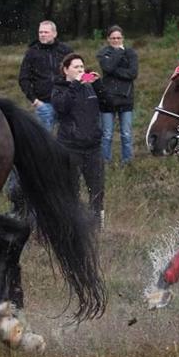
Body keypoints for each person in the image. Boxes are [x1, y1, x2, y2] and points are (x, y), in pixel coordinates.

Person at [51, 53, 104, 229]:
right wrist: (74, 85)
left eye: (82, 67)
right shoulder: (59, 89)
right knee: (71, 189)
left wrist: (98, 84)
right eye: (76, 67)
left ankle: (97, 225)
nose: (81, 70)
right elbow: (61, 108)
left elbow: (109, 104)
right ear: (66, 70)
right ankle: (72, 224)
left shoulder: (90, 87)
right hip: (70, 147)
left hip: (93, 147)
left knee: (97, 189)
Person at [95, 25, 138, 166]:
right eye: (113, 38)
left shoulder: (131, 53)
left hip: (126, 99)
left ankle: (127, 162)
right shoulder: (102, 53)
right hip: (107, 99)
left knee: (126, 134)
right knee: (107, 134)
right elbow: (106, 67)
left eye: (118, 38)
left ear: (123, 38)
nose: (116, 40)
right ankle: (105, 162)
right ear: (108, 39)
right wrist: (119, 53)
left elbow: (132, 74)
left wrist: (113, 70)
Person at [18, 20, 72, 130]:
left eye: (46, 32)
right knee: (44, 142)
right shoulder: (32, 52)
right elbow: (23, 78)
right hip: (44, 105)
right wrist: (35, 100)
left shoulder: (65, 50)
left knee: (66, 140)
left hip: (65, 103)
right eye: (40, 32)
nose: (42, 35)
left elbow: (77, 71)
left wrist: (89, 78)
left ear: (54, 34)